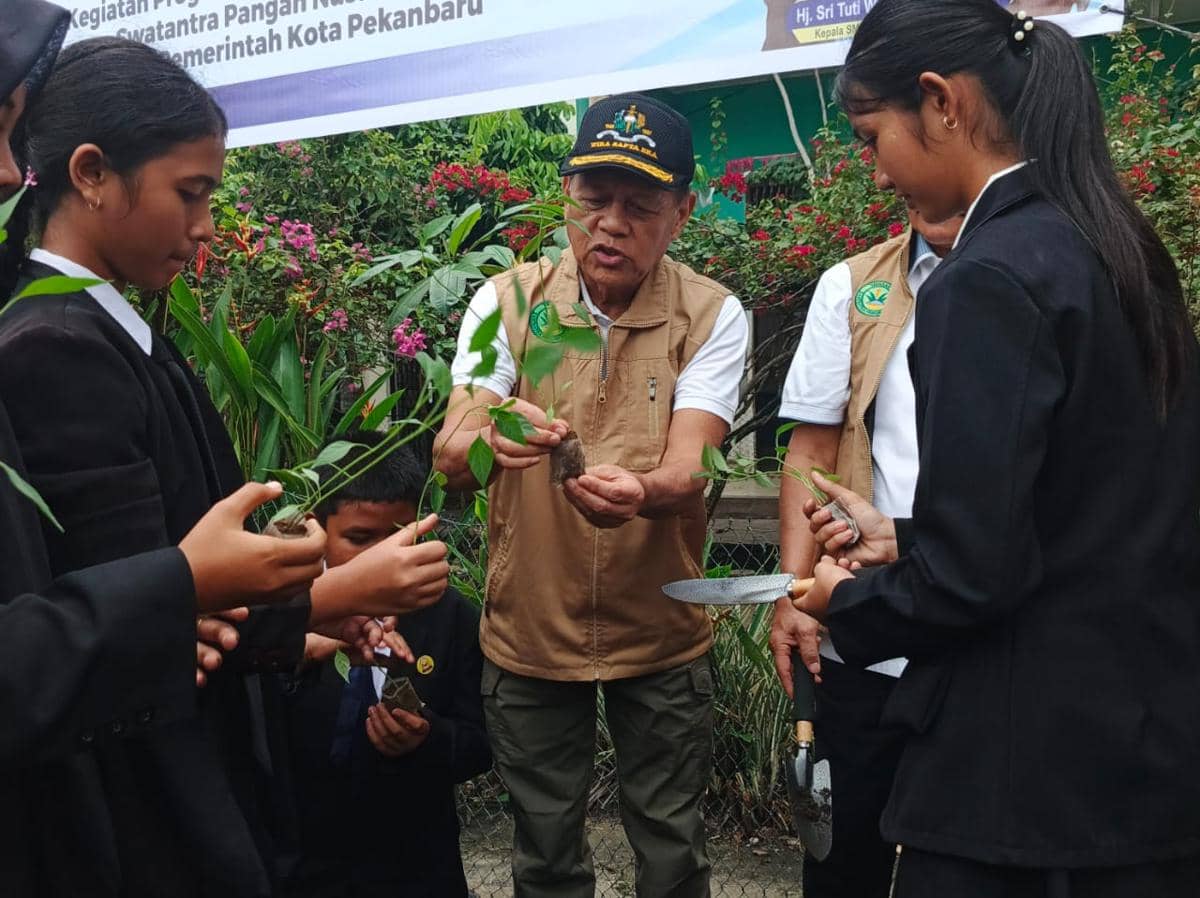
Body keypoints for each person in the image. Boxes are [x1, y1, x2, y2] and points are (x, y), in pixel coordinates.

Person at [0, 35, 450, 897]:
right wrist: (332, 593)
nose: (206, 226)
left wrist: (297, 608)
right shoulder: (55, 348)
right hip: (146, 805)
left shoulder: (114, 330)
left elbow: (183, 595)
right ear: (91, 173)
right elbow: (149, 617)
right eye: (190, 192)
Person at [789, 1, 1200, 895]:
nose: (875, 171)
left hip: (1026, 781)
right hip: (1143, 747)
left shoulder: (985, 278)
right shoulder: (1118, 247)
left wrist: (845, 599)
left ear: (941, 101)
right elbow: (1095, 510)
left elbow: (972, 578)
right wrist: (909, 537)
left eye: (871, 137)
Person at [435, 93, 748, 897]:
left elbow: (691, 466)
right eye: (593, 198)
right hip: (531, 627)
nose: (610, 224)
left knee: (673, 851)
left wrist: (643, 491)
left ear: (681, 213)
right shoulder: (503, 302)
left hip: (661, 628)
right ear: (566, 195)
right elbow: (452, 446)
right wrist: (487, 438)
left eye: (639, 206)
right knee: (544, 855)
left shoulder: (713, 314)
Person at [769, 207, 962, 898]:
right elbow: (812, 447)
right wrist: (795, 593)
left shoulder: (1042, 269)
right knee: (843, 857)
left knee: (965, 862)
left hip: (982, 644)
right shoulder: (854, 285)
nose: (884, 175)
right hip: (861, 628)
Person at [281, 432, 491, 898]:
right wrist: (301, 651)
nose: (379, 556)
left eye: (397, 537)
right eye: (359, 539)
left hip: (416, 865)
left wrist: (428, 739)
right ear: (316, 529)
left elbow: (479, 745)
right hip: (304, 866)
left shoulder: (450, 618)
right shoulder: (280, 617)